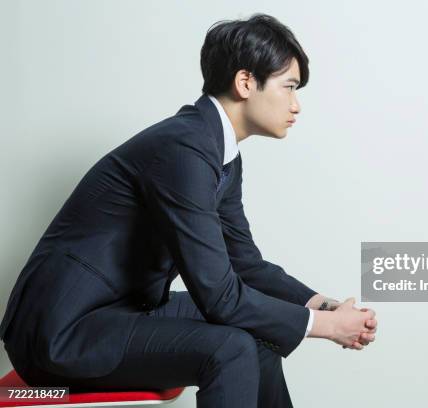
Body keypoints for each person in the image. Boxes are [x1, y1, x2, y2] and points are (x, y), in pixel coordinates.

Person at [0, 13, 377, 408]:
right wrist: (326, 327)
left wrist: (322, 305)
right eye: (289, 87)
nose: (296, 105)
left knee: (261, 339)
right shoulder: (183, 149)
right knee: (230, 347)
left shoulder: (219, 153)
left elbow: (245, 264)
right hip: (61, 333)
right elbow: (219, 295)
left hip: (125, 310)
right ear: (246, 82)